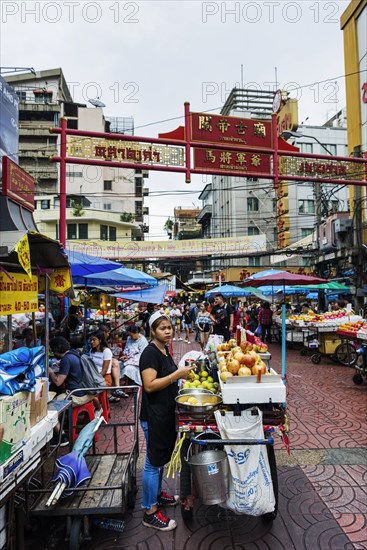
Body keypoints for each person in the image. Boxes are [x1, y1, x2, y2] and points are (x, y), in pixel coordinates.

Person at [139, 311, 196, 531]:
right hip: (154, 416)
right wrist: (176, 375)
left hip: (163, 414)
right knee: (152, 464)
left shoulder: (163, 350)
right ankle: (149, 511)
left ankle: (156, 496)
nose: (168, 331)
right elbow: (150, 385)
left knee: (160, 458)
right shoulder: (150, 353)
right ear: (152, 331)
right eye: (162, 328)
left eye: (170, 327)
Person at [49, 336, 96, 446]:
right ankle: (59, 428)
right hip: (87, 391)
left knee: (48, 410)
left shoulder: (66, 359)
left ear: (56, 349)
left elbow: (58, 382)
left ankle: (63, 437)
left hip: (77, 395)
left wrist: (50, 372)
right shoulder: (75, 353)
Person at [89, 330, 128, 402]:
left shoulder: (106, 351)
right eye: (91, 340)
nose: (92, 342)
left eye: (94, 340)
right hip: (94, 376)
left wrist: (95, 379)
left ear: (100, 340)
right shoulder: (92, 350)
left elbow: (105, 370)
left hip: (104, 378)